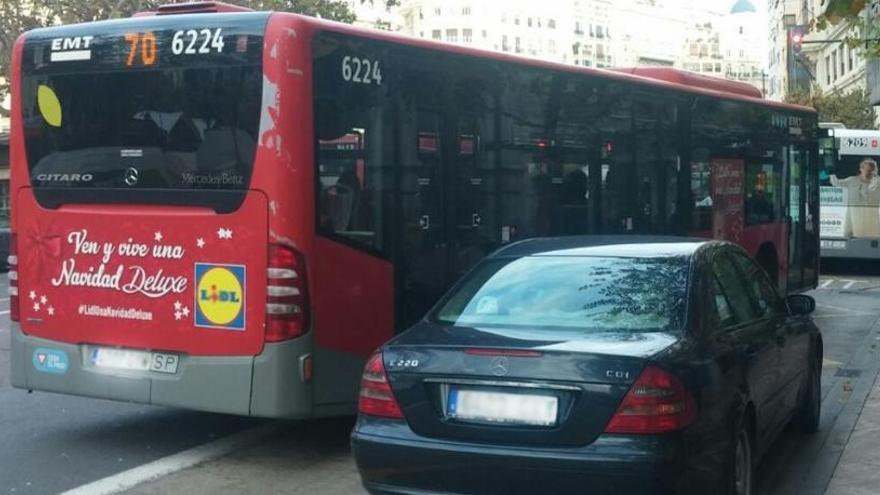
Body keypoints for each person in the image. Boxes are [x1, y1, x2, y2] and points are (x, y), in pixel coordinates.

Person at [830, 157, 880, 238]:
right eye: (869, 170)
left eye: (873, 171)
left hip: (871, 218)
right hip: (854, 216)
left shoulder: (878, 183)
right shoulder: (852, 181)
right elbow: (836, 183)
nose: (871, 173)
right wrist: (831, 171)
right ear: (861, 169)